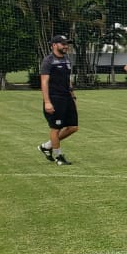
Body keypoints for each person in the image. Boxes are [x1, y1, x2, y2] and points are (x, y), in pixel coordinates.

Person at [38, 35, 78, 165]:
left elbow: (68, 80)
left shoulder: (66, 59)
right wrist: (47, 102)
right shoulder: (48, 61)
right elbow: (44, 82)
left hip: (67, 97)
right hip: (55, 99)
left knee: (73, 127)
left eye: (67, 44)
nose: (66, 46)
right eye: (63, 44)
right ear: (54, 45)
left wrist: (73, 96)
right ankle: (58, 156)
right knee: (56, 128)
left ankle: (47, 146)